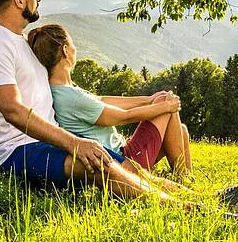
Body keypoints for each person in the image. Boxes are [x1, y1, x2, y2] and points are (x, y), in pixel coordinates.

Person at [0, 0, 238, 214]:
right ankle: (193, 212)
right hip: (16, 152)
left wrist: (141, 101)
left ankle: (213, 200)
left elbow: (76, 94)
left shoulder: (20, 43)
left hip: (44, 143)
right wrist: (73, 143)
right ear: (19, 0)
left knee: (131, 169)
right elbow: (13, 111)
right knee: (100, 164)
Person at [27, 23, 192, 179]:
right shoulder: (70, 97)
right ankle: (184, 178)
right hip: (124, 163)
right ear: (65, 50)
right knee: (166, 104)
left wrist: (148, 100)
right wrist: (165, 105)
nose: (75, 48)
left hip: (123, 153)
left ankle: (186, 177)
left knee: (181, 130)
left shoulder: (64, 90)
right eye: (72, 44)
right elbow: (124, 117)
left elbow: (101, 101)